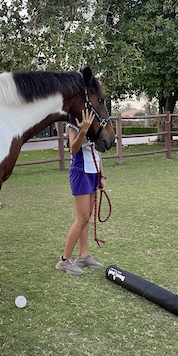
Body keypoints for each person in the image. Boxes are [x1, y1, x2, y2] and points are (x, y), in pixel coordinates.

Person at [56, 109, 107, 275]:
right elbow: (73, 148)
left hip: (93, 173)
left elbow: (98, 151)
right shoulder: (73, 125)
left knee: (87, 217)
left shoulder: (95, 124)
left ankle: (83, 256)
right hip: (80, 171)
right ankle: (64, 260)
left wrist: (102, 175)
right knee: (82, 218)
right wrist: (83, 129)